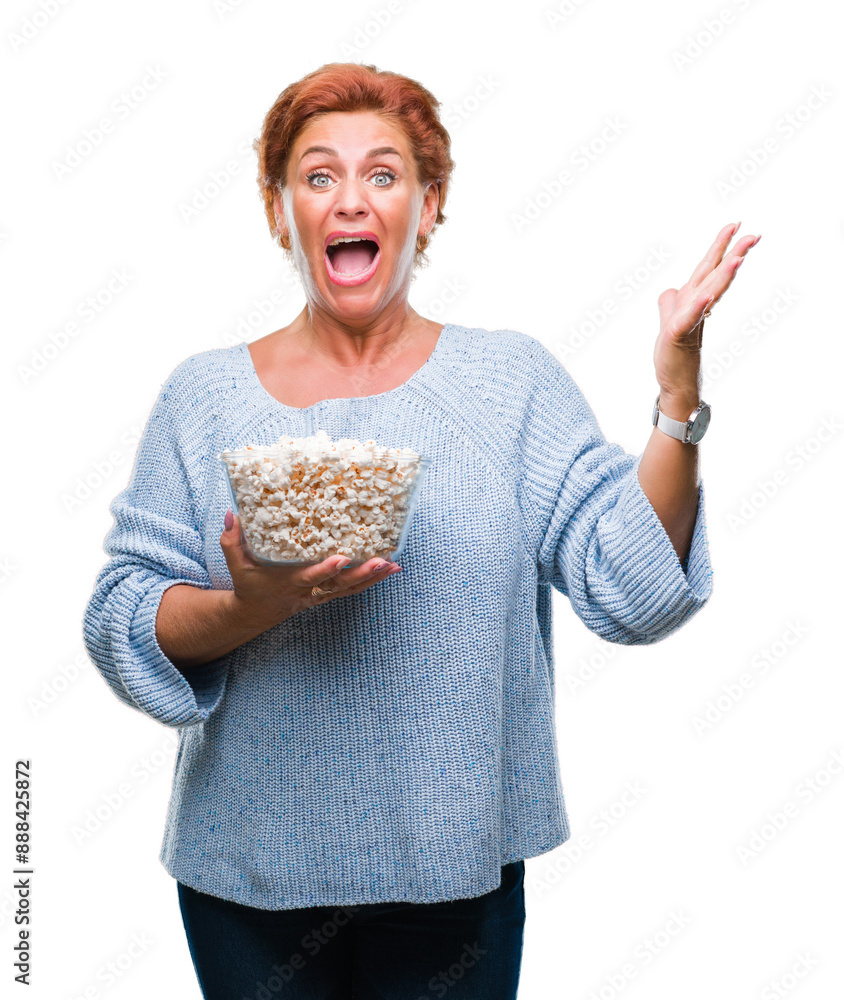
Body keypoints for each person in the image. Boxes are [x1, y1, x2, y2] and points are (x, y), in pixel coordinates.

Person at [82, 61, 759, 1000]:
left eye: (384, 174)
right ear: (281, 213)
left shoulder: (509, 384)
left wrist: (677, 397)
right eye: (317, 176)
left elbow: (634, 586)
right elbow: (119, 621)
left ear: (430, 205)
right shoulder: (204, 399)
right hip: (247, 884)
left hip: (457, 878)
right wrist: (251, 605)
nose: (349, 199)